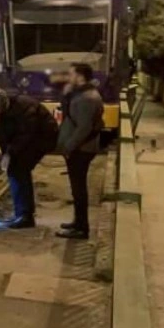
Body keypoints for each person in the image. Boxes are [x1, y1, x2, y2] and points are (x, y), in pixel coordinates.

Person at [0, 88, 59, 229]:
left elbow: (26, 134)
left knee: (19, 170)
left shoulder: (23, 106)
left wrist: (10, 153)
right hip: (27, 140)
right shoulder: (4, 113)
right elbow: (2, 138)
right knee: (16, 171)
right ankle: (22, 214)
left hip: (41, 138)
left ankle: (25, 215)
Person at [55, 63, 104, 240]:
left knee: (79, 188)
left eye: (71, 74)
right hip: (79, 148)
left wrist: (69, 146)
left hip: (81, 149)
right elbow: (68, 112)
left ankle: (82, 228)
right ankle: (78, 222)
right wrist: (66, 93)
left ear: (80, 76)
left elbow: (84, 128)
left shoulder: (88, 98)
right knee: (76, 188)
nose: (69, 77)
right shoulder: (80, 94)